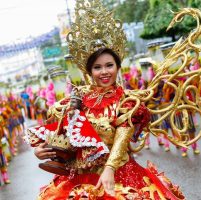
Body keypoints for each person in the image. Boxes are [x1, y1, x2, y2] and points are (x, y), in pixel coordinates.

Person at [25, 48, 185, 199]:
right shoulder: (76, 100)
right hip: (79, 178)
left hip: (118, 174)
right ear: (89, 71)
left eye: (109, 65)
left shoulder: (127, 101)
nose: (104, 72)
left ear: (118, 67)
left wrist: (109, 169)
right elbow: (65, 136)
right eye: (97, 67)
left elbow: (122, 137)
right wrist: (43, 150)